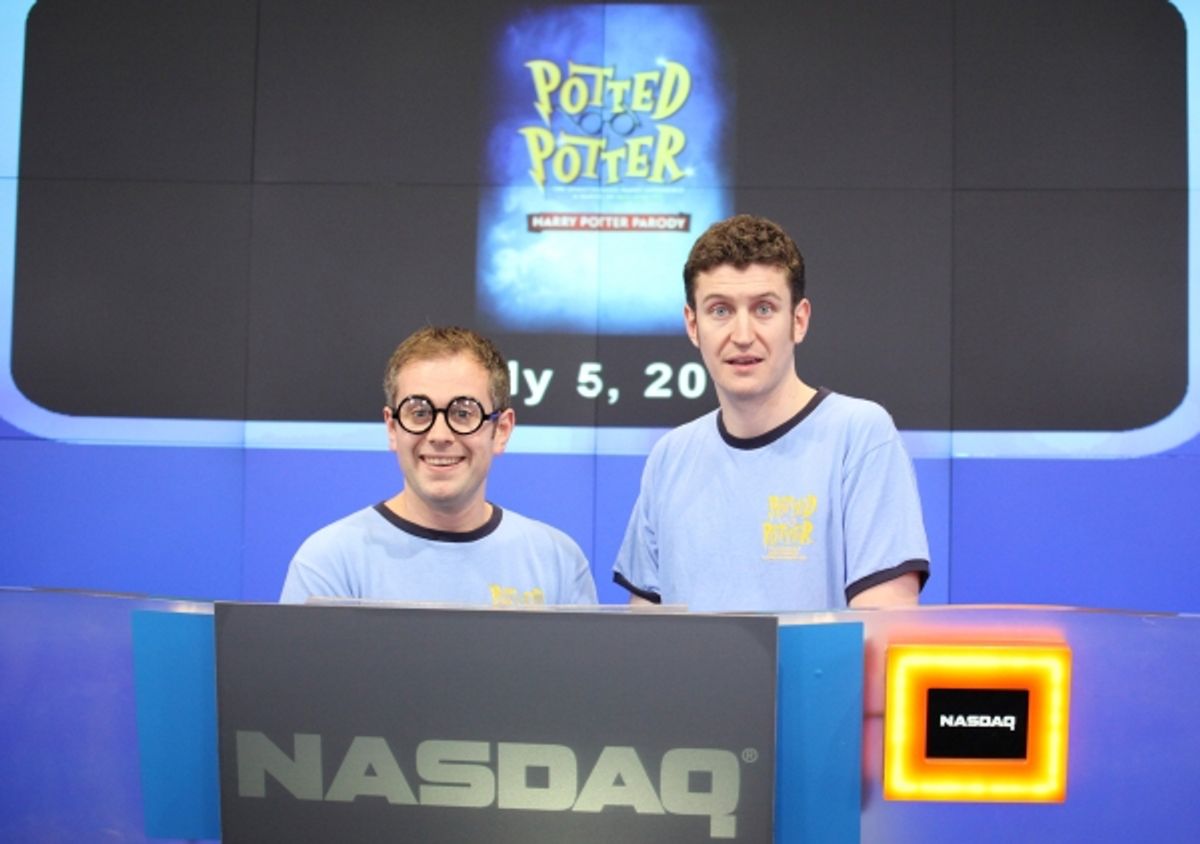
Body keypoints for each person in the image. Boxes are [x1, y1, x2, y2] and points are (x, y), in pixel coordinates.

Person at [613, 214, 929, 611]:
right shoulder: (670, 456)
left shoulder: (860, 435)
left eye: (763, 309)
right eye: (720, 310)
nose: (743, 336)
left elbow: (884, 626)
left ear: (798, 321)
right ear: (693, 325)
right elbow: (645, 636)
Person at [281, 325, 597, 606]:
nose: (439, 435)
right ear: (392, 429)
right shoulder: (329, 564)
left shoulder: (558, 562)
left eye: (463, 413)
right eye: (419, 412)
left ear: (501, 431)